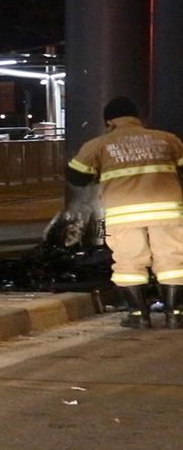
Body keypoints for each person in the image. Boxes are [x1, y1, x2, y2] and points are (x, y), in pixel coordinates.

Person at [67, 96, 183, 329]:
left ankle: (138, 315)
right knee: (173, 260)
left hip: (124, 214)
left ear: (109, 122)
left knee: (129, 263)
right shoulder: (167, 139)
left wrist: (100, 174)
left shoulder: (98, 144)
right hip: (167, 210)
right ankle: (175, 314)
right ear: (138, 119)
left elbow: (76, 176)